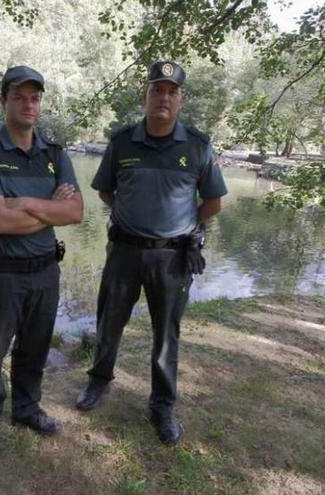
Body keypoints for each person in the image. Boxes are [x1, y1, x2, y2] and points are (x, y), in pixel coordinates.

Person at [75, 61, 227, 445]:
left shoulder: (197, 145)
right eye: (157, 90)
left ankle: (162, 404)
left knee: (166, 334)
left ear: (180, 100)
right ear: (145, 97)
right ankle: (98, 382)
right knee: (109, 321)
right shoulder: (122, 142)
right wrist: (133, 218)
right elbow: (106, 191)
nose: (164, 97)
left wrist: (189, 228)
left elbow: (213, 202)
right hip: (124, 251)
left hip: (173, 259)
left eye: (171, 92)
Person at [0, 66, 83, 462]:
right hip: (0, 274)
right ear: (4, 101)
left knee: (35, 348)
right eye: (19, 96)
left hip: (46, 271)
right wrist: (52, 208)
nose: (28, 104)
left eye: (35, 97)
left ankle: (27, 409)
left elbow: (77, 212)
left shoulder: (55, 154)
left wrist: (27, 203)